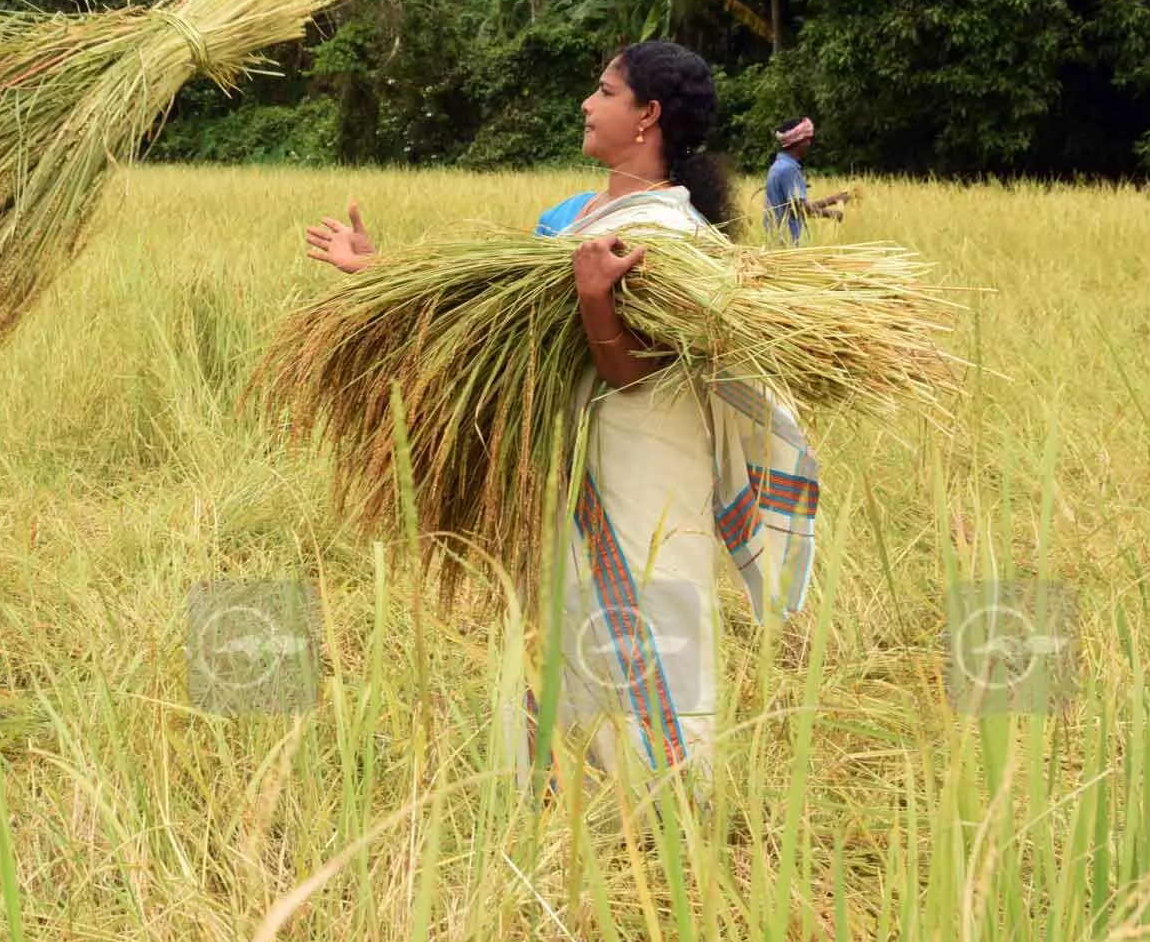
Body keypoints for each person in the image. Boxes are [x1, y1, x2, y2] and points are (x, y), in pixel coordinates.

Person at [302, 41, 818, 796]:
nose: (587, 103)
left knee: (648, 598)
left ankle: (667, 801)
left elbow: (635, 373)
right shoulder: (579, 217)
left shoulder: (671, 235)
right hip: (572, 454)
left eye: (604, 92)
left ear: (646, 115)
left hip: (644, 455)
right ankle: (564, 788)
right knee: (566, 606)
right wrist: (381, 272)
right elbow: (492, 314)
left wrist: (595, 302)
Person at [764, 117, 852, 245]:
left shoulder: (779, 166)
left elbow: (795, 207)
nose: (809, 144)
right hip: (788, 244)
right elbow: (801, 210)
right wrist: (832, 214)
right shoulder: (789, 170)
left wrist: (833, 200)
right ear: (798, 142)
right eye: (807, 139)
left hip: (779, 241)